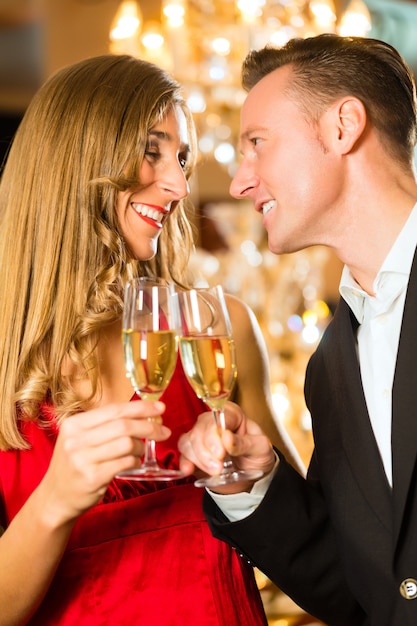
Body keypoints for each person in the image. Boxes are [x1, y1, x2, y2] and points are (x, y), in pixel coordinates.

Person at [0, 54, 304, 625]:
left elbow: (314, 560)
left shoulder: (220, 327)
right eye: (152, 149)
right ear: (76, 160)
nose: (179, 184)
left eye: (182, 157)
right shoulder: (3, 359)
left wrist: (247, 474)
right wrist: (55, 502)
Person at [178, 33, 417, 626]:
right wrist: (252, 484)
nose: (238, 182)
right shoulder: (330, 366)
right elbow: (368, 589)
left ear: (343, 127)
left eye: (257, 144)